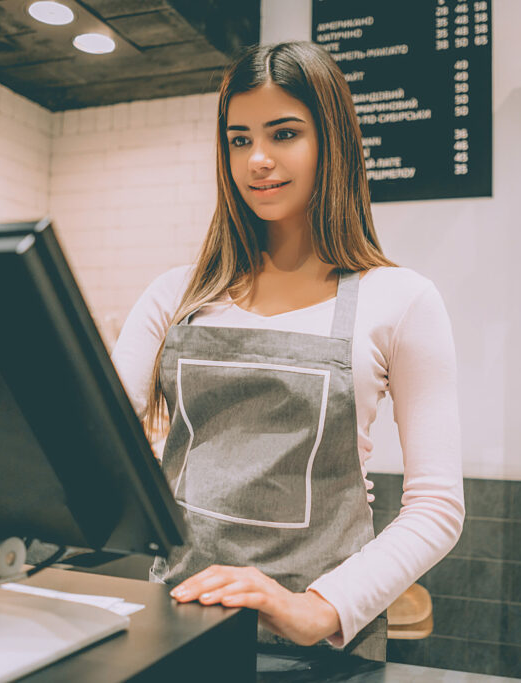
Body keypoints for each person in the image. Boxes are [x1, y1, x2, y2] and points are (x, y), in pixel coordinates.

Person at [111, 41, 463, 661]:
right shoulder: (176, 295)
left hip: (319, 652)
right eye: (239, 139)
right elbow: (97, 438)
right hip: (177, 633)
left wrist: (316, 608)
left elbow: (436, 508)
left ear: (333, 141)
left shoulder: (402, 300)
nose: (258, 160)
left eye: (284, 133)